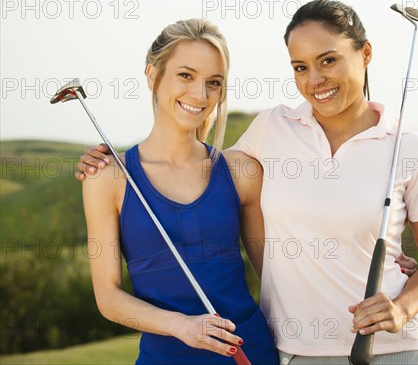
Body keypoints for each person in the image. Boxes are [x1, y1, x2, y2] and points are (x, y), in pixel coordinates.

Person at [77, 0, 418, 365]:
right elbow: (109, 293)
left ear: (365, 53)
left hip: (374, 350)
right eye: (300, 67)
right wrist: (107, 161)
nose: (315, 78)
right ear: (152, 76)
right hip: (292, 352)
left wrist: (399, 295)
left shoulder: (412, 147)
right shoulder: (273, 129)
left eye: (329, 59)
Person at [80, 18, 278, 365]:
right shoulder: (108, 178)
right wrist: (181, 326)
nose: (200, 95)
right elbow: (108, 296)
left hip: (250, 354)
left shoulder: (240, 171)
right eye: (185, 75)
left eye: (213, 83)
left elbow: (278, 277)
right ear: (152, 75)